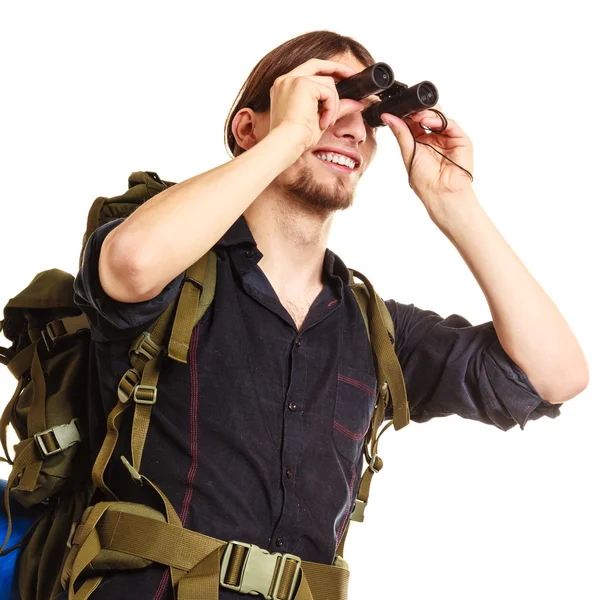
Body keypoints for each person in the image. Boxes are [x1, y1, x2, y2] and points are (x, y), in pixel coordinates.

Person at [67, 30, 588, 599]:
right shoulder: (176, 264)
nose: (350, 126)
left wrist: (453, 202)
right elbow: (132, 266)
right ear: (249, 128)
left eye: (368, 115)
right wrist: (290, 135)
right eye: (325, 100)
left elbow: (555, 376)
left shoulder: (373, 330)